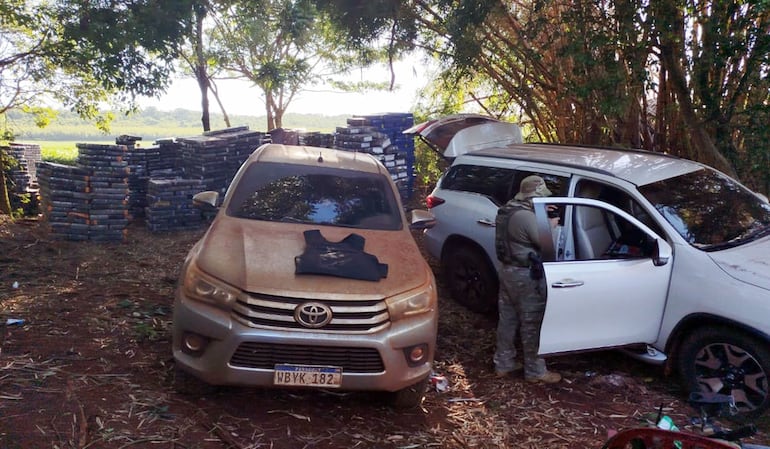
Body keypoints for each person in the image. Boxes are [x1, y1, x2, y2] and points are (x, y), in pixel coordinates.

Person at [493, 175, 562, 384]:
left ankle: (503, 364)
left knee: (508, 319)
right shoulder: (525, 217)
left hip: (507, 271)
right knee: (532, 322)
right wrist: (553, 222)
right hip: (525, 275)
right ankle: (535, 371)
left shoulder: (509, 209)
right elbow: (546, 244)